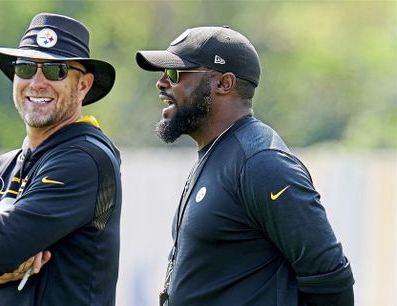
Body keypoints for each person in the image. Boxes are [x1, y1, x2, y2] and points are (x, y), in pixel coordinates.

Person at [136, 26, 354, 305]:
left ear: (224, 84)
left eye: (176, 74)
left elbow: (330, 276)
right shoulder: (218, 152)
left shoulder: (262, 162)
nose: (162, 83)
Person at [0, 13, 122, 306]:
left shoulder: (86, 159)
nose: (37, 83)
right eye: (26, 68)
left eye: (56, 71)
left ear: (84, 85)